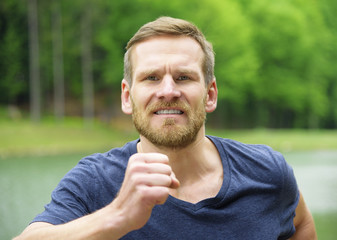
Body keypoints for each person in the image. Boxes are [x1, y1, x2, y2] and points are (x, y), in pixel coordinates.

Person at [14, 16, 317, 240]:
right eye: (151, 78)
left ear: (210, 94)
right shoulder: (94, 182)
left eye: (184, 77)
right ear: (126, 96)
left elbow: (301, 225)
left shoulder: (267, 172)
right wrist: (117, 216)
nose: (168, 90)